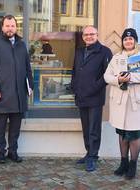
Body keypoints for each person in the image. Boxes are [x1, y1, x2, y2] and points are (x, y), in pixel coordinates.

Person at [0, 15, 34, 164]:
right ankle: (0, 152)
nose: (10, 28)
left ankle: (13, 151)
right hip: (2, 93)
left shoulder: (21, 44)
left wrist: (30, 86)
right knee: (0, 127)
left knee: (15, 127)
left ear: (16, 27)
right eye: (7, 26)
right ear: (2, 27)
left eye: (12, 26)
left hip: (19, 94)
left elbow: (27, 68)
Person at [71, 25, 113, 172]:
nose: (89, 36)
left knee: (94, 129)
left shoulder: (105, 52)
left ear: (97, 35)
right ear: (83, 37)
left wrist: (93, 88)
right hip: (81, 96)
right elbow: (75, 71)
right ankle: (88, 152)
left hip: (95, 97)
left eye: (92, 34)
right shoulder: (79, 51)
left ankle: (93, 157)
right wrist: (74, 87)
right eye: (86, 34)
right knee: (86, 128)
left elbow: (107, 76)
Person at [104, 28, 140, 180]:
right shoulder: (117, 57)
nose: (128, 41)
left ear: (135, 40)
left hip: (135, 102)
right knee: (123, 134)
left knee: (134, 134)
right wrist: (118, 79)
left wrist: (130, 77)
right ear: (123, 42)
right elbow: (107, 76)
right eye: (125, 39)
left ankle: (132, 165)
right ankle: (123, 163)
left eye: (131, 39)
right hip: (119, 102)